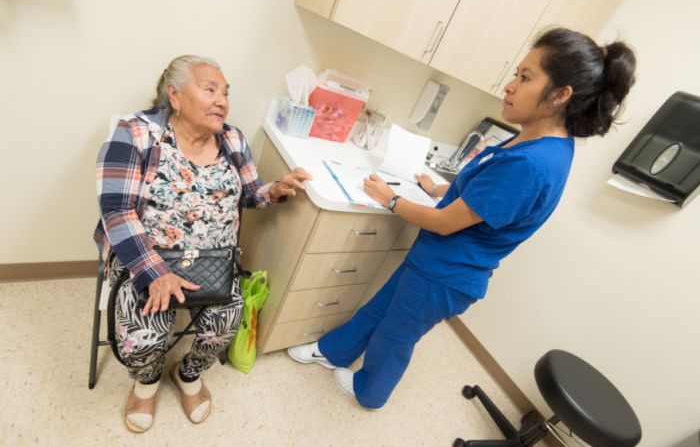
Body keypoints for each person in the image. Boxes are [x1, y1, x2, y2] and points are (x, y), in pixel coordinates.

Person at [288, 28, 637, 410]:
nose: (509, 86)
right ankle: (333, 351)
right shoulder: (537, 140)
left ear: (559, 94)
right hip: (435, 262)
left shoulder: (532, 163)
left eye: (524, 77)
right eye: (516, 73)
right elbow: (488, 201)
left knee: (395, 334)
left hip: (446, 273)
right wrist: (439, 190)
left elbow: (445, 223)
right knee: (382, 308)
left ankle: (369, 391)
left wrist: (391, 200)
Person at [94, 55, 311, 433]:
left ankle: (188, 372)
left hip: (212, 261)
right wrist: (154, 273)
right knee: (147, 334)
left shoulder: (233, 139)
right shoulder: (136, 133)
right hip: (147, 257)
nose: (222, 100)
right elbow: (116, 210)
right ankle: (145, 382)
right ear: (174, 96)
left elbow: (248, 195)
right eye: (210, 89)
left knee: (226, 319)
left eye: (225, 93)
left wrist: (273, 190)